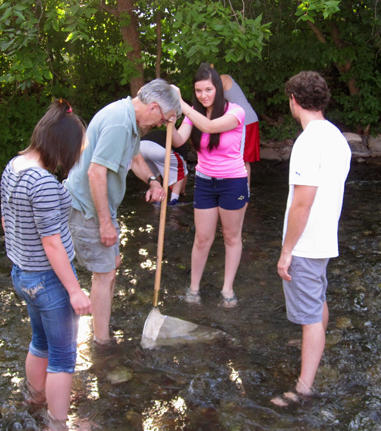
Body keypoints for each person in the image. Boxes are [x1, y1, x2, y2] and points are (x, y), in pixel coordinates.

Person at [0, 99, 93, 431]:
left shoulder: (14, 166)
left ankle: (35, 397)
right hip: (49, 280)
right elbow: (52, 243)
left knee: (39, 341)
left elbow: (6, 220)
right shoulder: (42, 183)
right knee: (64, 357)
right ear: (62, 146)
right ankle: (58, 427)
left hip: (22, 274)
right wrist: (74, 291)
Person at [64, 79, 181, 345]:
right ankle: (101, 343)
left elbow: (135, 157)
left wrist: (153, 180)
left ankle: (100, 325)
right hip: (87, 208)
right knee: (104, 274)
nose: (160, 126)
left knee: (111, 267)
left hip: (101, 206)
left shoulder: (131, 119)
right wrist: (106, 224)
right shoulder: (119, 123)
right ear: (153, 107)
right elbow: (96, 173)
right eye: (162, 120)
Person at [275, 71, 351, 402]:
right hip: (325, 239)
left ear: (294, 100)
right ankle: (314, 343)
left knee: (309, 317)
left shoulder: (307, 142)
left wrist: (287, 250)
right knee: (317, 300)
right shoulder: (336, 136)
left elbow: (302, 203)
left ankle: (303, 388)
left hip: (305, 242)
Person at [172, 65, 249, 307]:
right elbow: (178, 140)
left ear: (217, 88)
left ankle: (227, 289)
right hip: (205, 182)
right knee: (202, 238)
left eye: (208, 89)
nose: (204, 95)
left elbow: (209, 127)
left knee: (231, 237)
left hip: (233, 182)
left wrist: (181, 103)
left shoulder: (235, 112)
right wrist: (170, 120)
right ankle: (194, 288)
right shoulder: (192, 113)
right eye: (198, 90)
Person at [220, 74, 260, 185]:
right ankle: (242, 191)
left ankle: (243, 193)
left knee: (242, 159)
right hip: (241, 120)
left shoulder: (223, 78)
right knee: (241, 159)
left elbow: (214, 97)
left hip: (245, 120)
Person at [140, 130, 188, 206]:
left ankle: (157, 200)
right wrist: (182, 191)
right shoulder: (181, 142)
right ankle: (174, 200)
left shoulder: (161, 134)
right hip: (157, 149)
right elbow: (182, 172)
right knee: (182, 167)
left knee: (154, 176)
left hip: (140, 148)